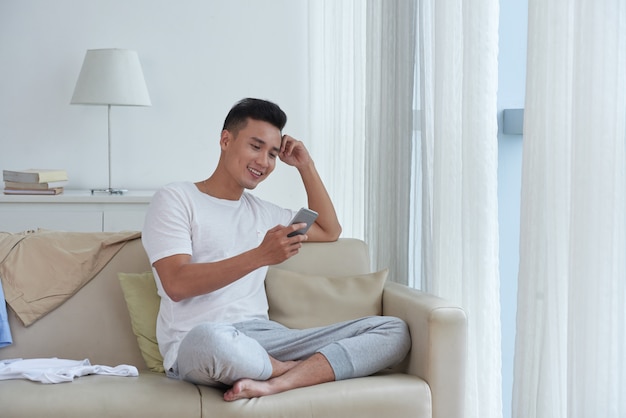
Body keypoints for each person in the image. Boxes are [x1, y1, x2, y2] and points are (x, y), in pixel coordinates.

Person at [142, 98, 411, 401]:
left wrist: (305, 165)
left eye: (272, 153)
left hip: (266, 338)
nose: (264, 162)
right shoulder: (177, 198)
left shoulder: (265, 213)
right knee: (209, 339)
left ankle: (277, 381)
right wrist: (260, 255)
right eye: (255, 147)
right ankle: (292, 370)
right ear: (225, 140)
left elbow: (329, 230)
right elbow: (176, 284)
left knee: (393, 331)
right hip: (198, 343)